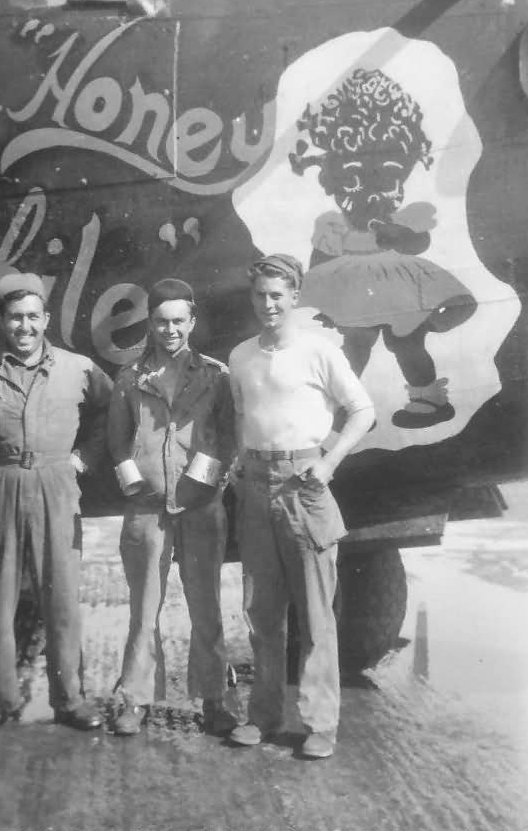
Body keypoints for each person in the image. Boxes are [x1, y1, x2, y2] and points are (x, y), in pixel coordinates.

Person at [0, 272, 113, 738]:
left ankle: (70, 698)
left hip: (56, 484)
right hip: (0, 484)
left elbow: (112, 411)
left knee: (63, 599)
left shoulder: (79, 368)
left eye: (33, 316)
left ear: (46, 318)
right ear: (1, 321)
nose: (25, 326)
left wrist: (84, 458)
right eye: (15, 317)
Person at [228, 253, 375, 758]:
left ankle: (319, 725)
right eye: (260, 295)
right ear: (252, 299)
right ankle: (263, 717)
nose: (268, 304)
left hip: (305, 484)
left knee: (315, 614)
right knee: (262, 614)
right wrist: (236, 466)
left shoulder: (319, 351)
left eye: (277, 295)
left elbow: (362, 410)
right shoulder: (241, 356)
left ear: (294, 297)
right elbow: (241, 416)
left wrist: (330, 462)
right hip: (255, 487)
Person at [107, 278, 236, 736]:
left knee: (207, 605)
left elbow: (227, 437)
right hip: (147, 510)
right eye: (161, 322)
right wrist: (134, 484)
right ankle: (136, 699)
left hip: (201, 507)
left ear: (193, 322)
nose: (170, 330)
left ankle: (216, 699)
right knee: (144, 608)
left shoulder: (217, 376)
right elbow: (117, 443)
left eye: (178, 321)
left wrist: (203, 485)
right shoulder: (129, 378)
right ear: (151, 324)